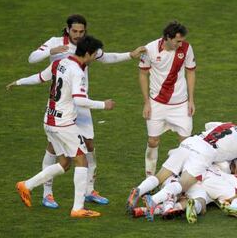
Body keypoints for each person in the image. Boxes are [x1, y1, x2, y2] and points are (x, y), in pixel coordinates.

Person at [10, 14, 145, 208]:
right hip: (66, 112)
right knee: (68, 155)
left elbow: (104, 57)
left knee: (79, 152)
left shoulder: (75, 54)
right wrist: (104, 105)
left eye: (82, 31)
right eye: (75, 31)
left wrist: (130, 55)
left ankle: (86, 190)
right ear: (67, 29)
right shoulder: (63, 52)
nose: (78, 34)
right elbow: (35, 62)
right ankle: (56, 197)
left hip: (63, 112)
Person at [14, 36, 114, 217]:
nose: (95, 59)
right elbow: (79, 100)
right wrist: (103, 105)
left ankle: (26, 185)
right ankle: (78, 208)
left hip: (49, 120)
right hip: (64, 124)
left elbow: (40, 78)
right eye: (94, 55)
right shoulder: (77, 72)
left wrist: (19, 81)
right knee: (82, 160)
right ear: (88, 53)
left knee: (64, 163)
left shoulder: (60, 63)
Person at [142, 122, 237, 220]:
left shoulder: (231, 125)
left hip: (190, 149)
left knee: (169, 180)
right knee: (203, 199)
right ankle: (161, 203)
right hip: (207, 165)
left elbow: (209, 125)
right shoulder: (236, 157)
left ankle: (158, 202)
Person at [139, 20, 196, 177]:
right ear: (167, 38)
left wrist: (191, 100)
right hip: (157, 104)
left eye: (182, 41)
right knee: (153, 141)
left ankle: (184, 179)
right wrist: (146, 103)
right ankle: (149, 179)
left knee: (186, 144)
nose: (180, 44)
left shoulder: (186, 48)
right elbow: (143, 75)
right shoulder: (148, 49)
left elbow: (191, 72)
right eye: (177, 41)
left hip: (180, 104)